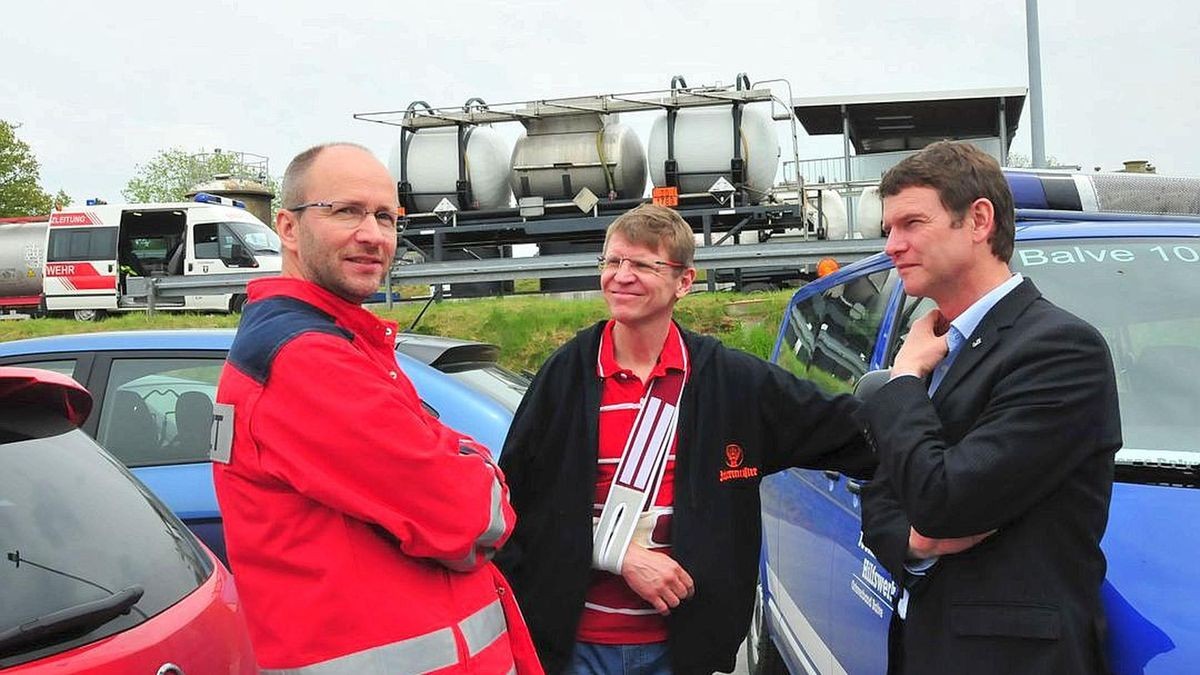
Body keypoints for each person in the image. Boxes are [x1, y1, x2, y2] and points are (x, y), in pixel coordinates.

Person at [495, 203, 874, 675]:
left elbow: (849, 431)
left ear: (685, 282)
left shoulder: (728, 379)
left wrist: (913, 395)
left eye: (641, 264)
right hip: (575, 647)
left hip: (681, 650)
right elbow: (514, 507)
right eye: (612, 262)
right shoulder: (565, 376)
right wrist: (617, 554)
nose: (620, 276)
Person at [212, 143, 541, 675]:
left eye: (386, 217)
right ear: (288, 229)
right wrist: (473, 471)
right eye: (346, 211)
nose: (373, 235)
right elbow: (471, 513)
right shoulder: (307, 359)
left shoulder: (343, 343)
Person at [858, 141, 1121, 674]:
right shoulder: (935, 346)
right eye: (889, 229)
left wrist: (904, 379)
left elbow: (941, 501)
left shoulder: (1060, 349)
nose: (892, 245)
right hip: (928, 644)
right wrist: (911, 542)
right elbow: (884, 494)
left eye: (911, 223)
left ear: (978, 220)